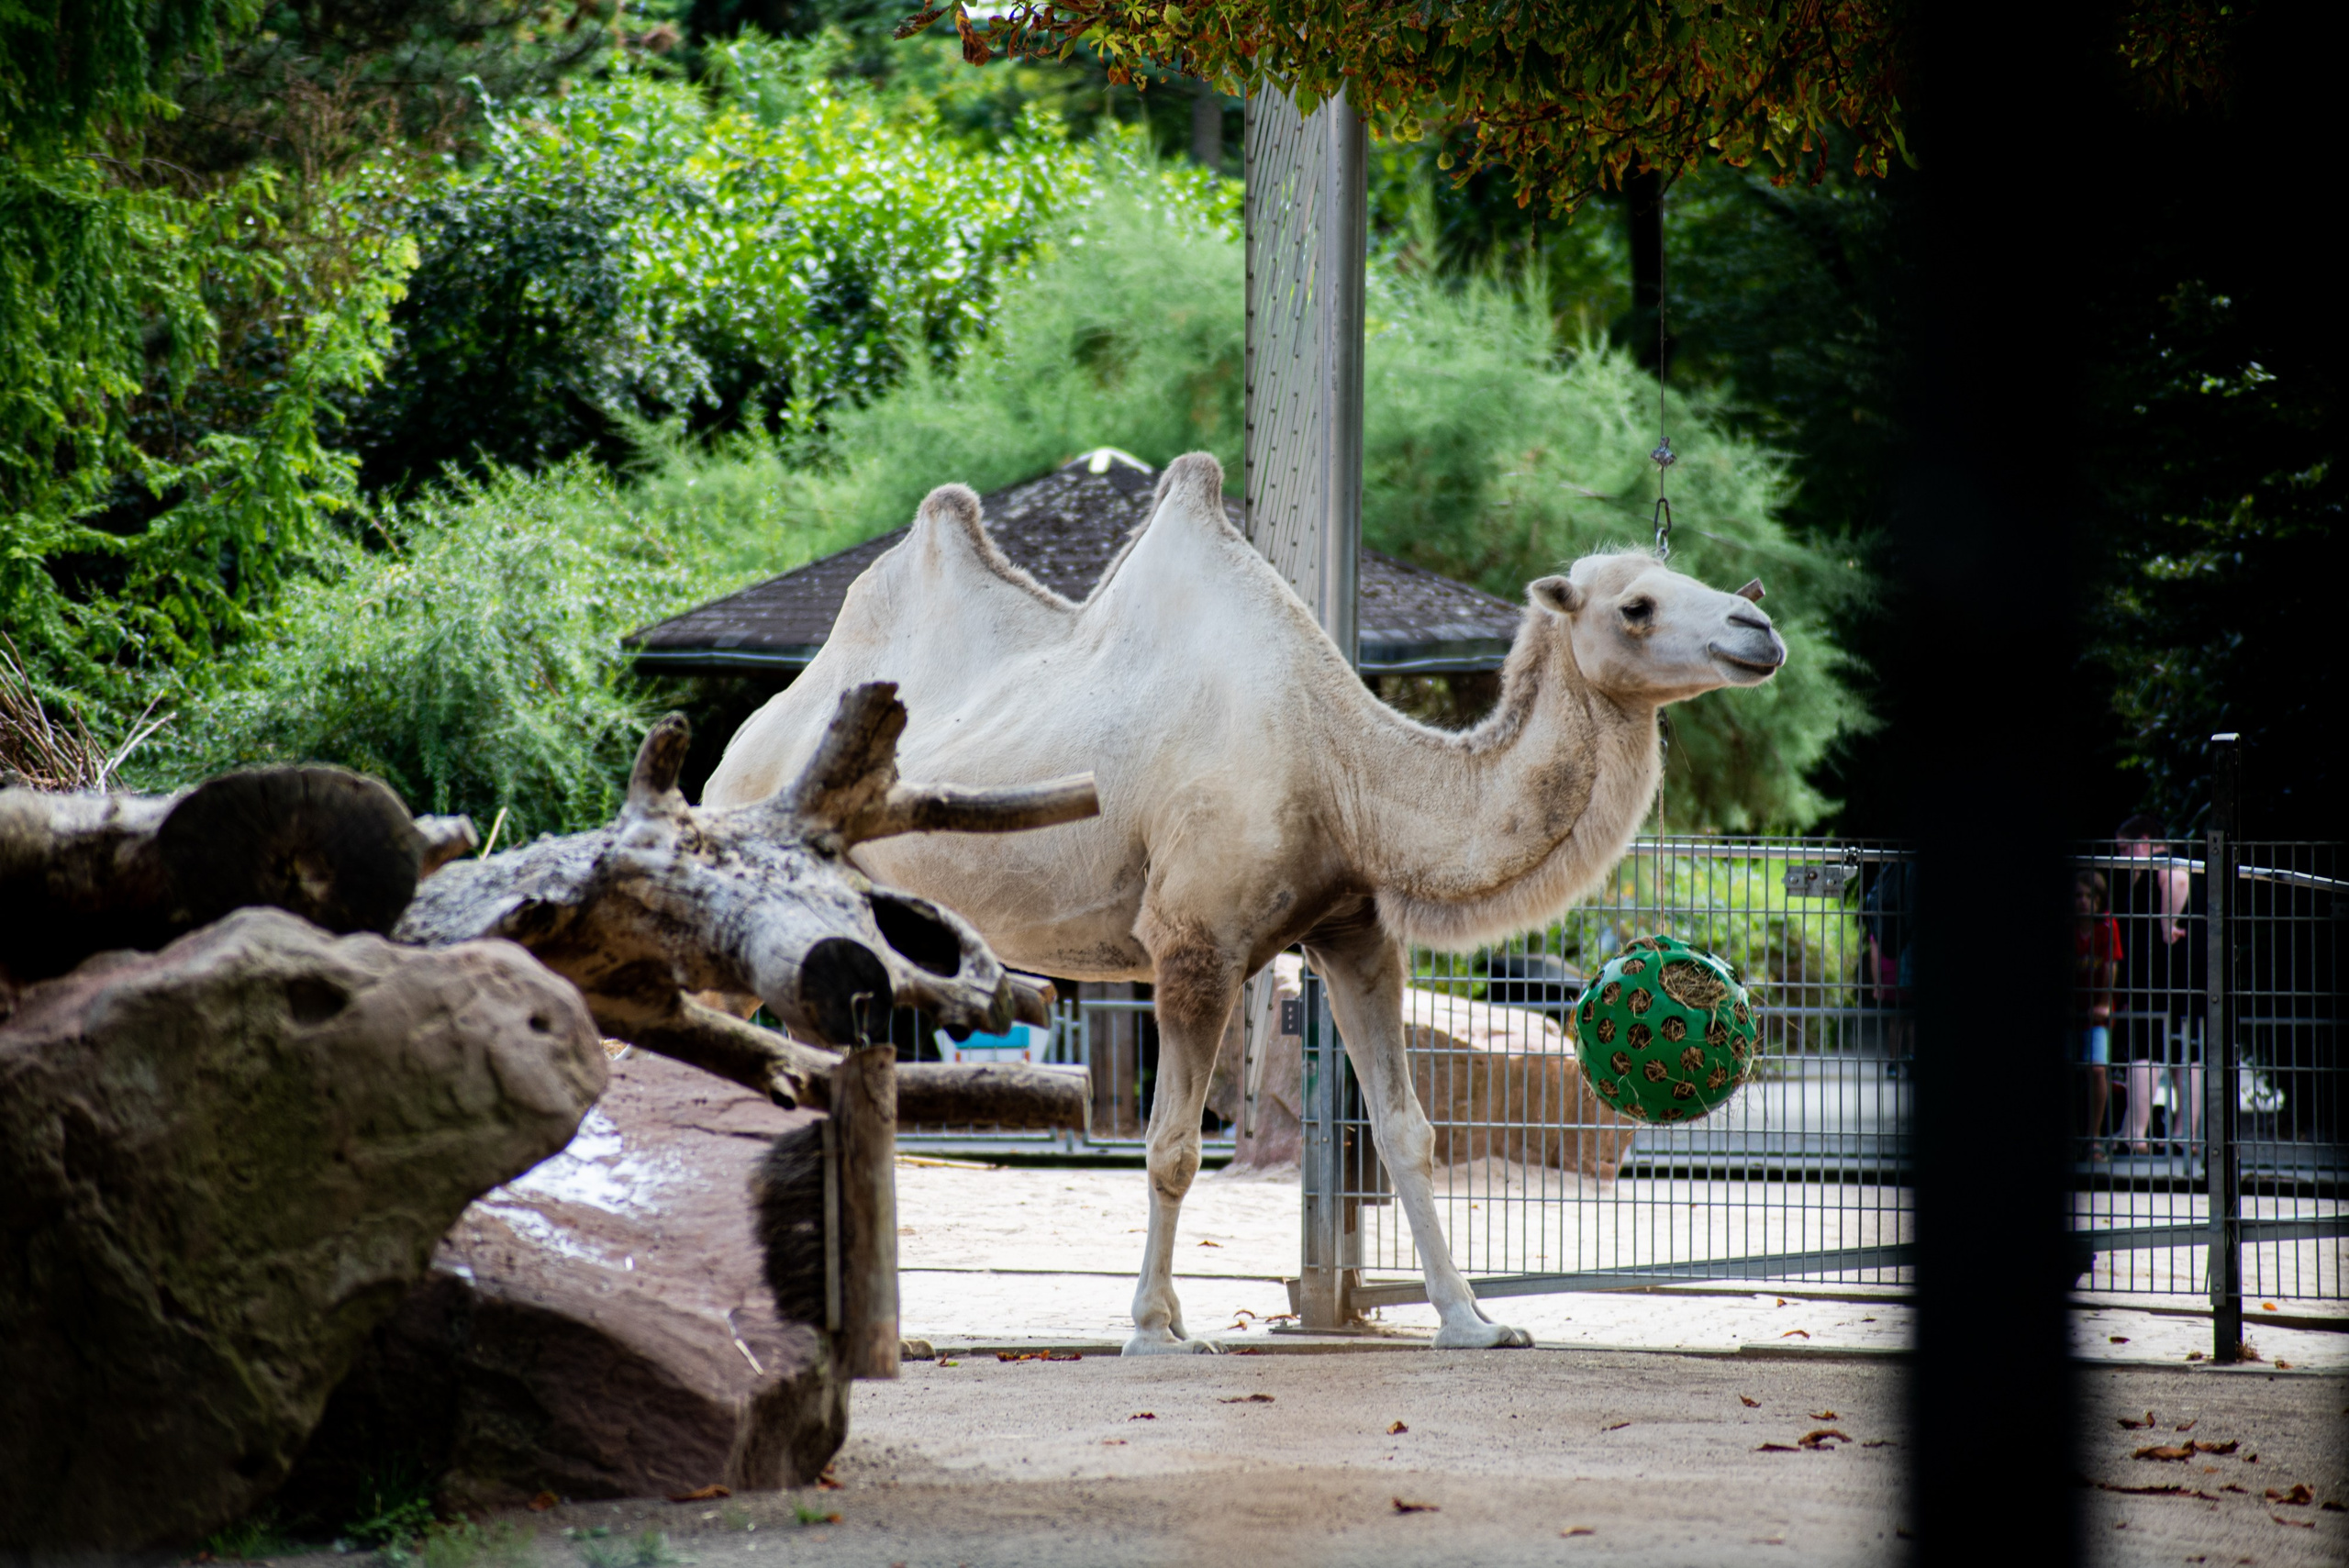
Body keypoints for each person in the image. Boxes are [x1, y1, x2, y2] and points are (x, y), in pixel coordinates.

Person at [2113, 815, 2199, 1154]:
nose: (2120, 857)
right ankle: (2183, 1134)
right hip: (2182, 974)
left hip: (2157, 974)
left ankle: (2135, 1133)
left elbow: (2176, 882)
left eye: (2123, 849)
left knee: (2146, 1049)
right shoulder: (2174, 863)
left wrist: (2166, 924)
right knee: (2185, 1053)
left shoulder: (2161, 864)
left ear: (2143, 841)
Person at [2073, 869, 2122, 1160]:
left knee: (2097, 1068)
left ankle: (2093, 1138)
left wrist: (2104, 1003)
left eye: (2090, 896)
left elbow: (2111, 965)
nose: (2083, 902)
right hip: (2070, 1011)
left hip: (2096, 1014)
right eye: (2078, 895)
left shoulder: (2107, 925)